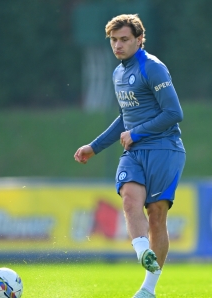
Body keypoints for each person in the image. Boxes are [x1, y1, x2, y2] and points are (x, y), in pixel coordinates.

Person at [73, 14, 185, 298]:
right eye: (113, 40)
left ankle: (148, 290)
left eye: (124, 39)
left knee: (156, 216)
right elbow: (125, 117)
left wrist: (138, 133)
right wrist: (94, 146)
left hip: (164, 148)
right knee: (129, 198)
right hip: (133, 152)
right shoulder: (118, 73)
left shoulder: (153, 68)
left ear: (139, 39)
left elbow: (174, 113)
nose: (118, 45)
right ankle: (142, 250)